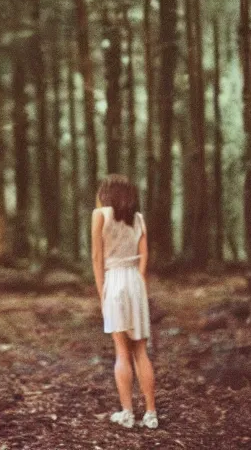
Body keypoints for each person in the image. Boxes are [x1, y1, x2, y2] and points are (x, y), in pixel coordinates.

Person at [90, 174, 158, 429]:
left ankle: (127, 412)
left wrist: (102, 293)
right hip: (134, 281)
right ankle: (150, 413)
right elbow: (144, 255)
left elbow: (97, 259)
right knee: (140, 350)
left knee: (121, 351)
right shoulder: (138, 219)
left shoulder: (100, 216)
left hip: (114, 280)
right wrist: (138, 282)